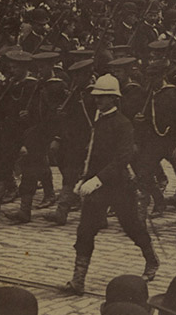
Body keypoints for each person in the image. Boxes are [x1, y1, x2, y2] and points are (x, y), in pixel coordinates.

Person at [63, 74, 159, 294]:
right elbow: (91, 155)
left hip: (118, 186)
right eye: (97, 96)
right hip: (97, 186)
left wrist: (98, 180)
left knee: (132, 226)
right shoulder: (97, 121)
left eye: (104, 97)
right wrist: (83, 177)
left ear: (114, 99)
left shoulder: (123, 124)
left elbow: (123, 157)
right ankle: (78, 280)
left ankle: (151, 259)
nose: (98, 100)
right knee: (85, 231)